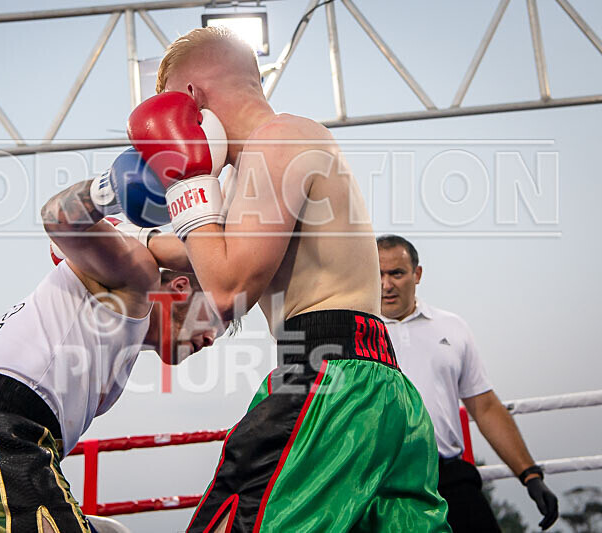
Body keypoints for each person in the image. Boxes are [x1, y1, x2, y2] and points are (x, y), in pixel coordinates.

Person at [125, 27, 451, 532]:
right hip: (377, 387)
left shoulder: (280, 140)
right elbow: (212, 256)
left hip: (328, 381)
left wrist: (187, 188)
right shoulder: (263, 162)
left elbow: (228, 290)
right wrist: (124, 243)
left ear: (188, 100)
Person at [0, 162, 224, 533]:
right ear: (180, 290)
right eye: (218, 320)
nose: (211, 339)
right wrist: (112, 191)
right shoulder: (137, 280)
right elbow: (59, 217)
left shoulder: (116, 337)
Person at [376, 234, 559, 532]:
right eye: (378, 274)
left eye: (396, 273)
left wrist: (530, 475)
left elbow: (484, 406)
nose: (386, 284)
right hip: (381, 482)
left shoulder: (452, 326)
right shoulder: (352, 332)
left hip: (448, 477)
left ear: (417, 274)